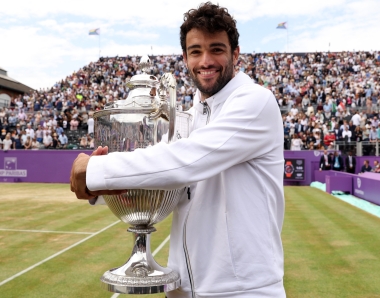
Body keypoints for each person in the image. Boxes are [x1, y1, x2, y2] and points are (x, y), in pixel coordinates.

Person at [70, 5, 286, 298]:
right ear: (185, 58)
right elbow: (161, 176)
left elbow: (185, 161)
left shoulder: (255, 101)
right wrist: (104, 187)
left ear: (236, 54)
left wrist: (95, 171)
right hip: (183, 289)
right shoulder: (190, 116)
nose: (205, 60)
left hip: (242, 291)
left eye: (216, 49)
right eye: (195, 51)